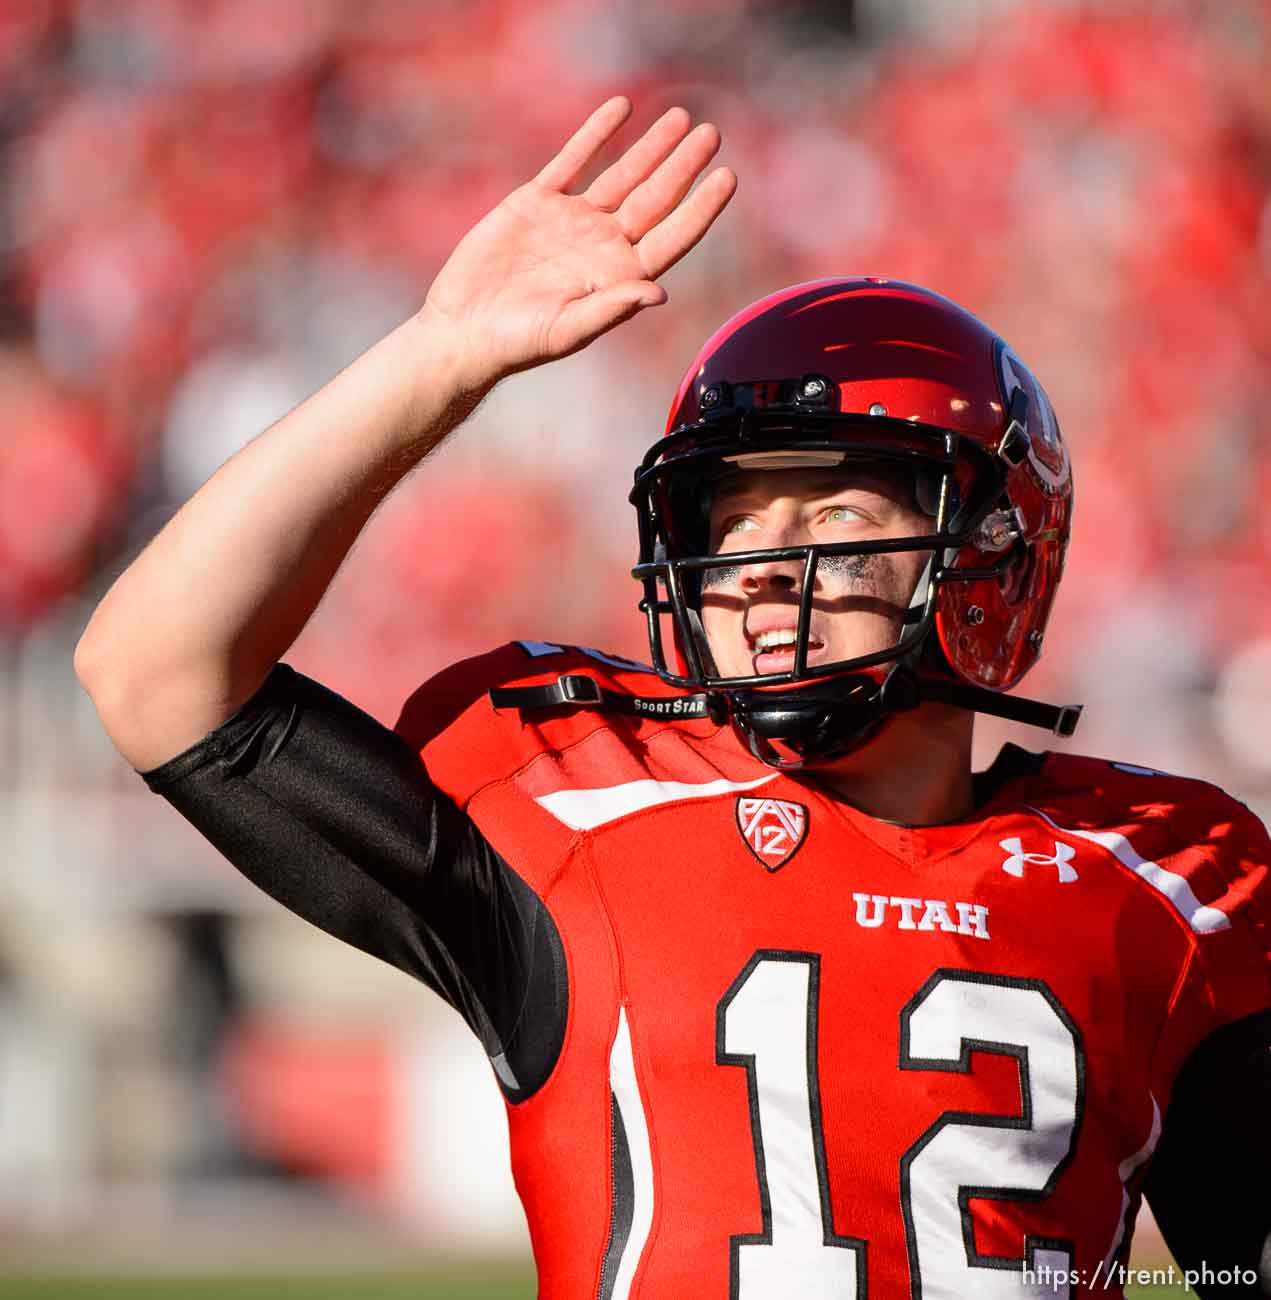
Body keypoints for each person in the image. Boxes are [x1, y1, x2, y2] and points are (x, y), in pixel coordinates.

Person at [75, 98, 1271, 1300]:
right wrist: (441, 353)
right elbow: (152, 672)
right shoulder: (588, 802)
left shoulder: (1170, 876)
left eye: (835, 514)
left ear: (989, 559)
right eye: (731, 518)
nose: (760, 561)